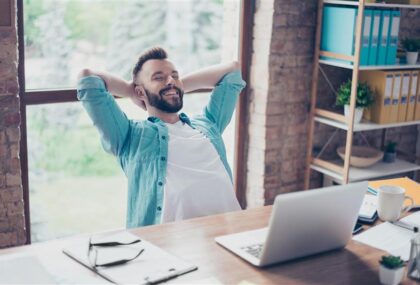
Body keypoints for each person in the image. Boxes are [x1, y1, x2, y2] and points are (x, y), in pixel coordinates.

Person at [77, 47, 246, 228]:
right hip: (171, 243)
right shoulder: (130, 136)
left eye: (175, 75)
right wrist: (132, 91)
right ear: (140, 92)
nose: (170, 81)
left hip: (230, 233)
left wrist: (174, 87)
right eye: (158, 77)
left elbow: (233, 71)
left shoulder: (209, 124)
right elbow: (88, 78)